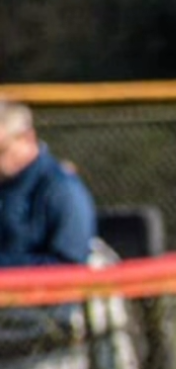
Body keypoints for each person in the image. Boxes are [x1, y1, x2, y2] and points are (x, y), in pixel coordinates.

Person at [0, 99, 97, 368]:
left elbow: (70, 267)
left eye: (1, 150)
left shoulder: (61, 189)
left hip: (46, 331)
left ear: (27, 138)